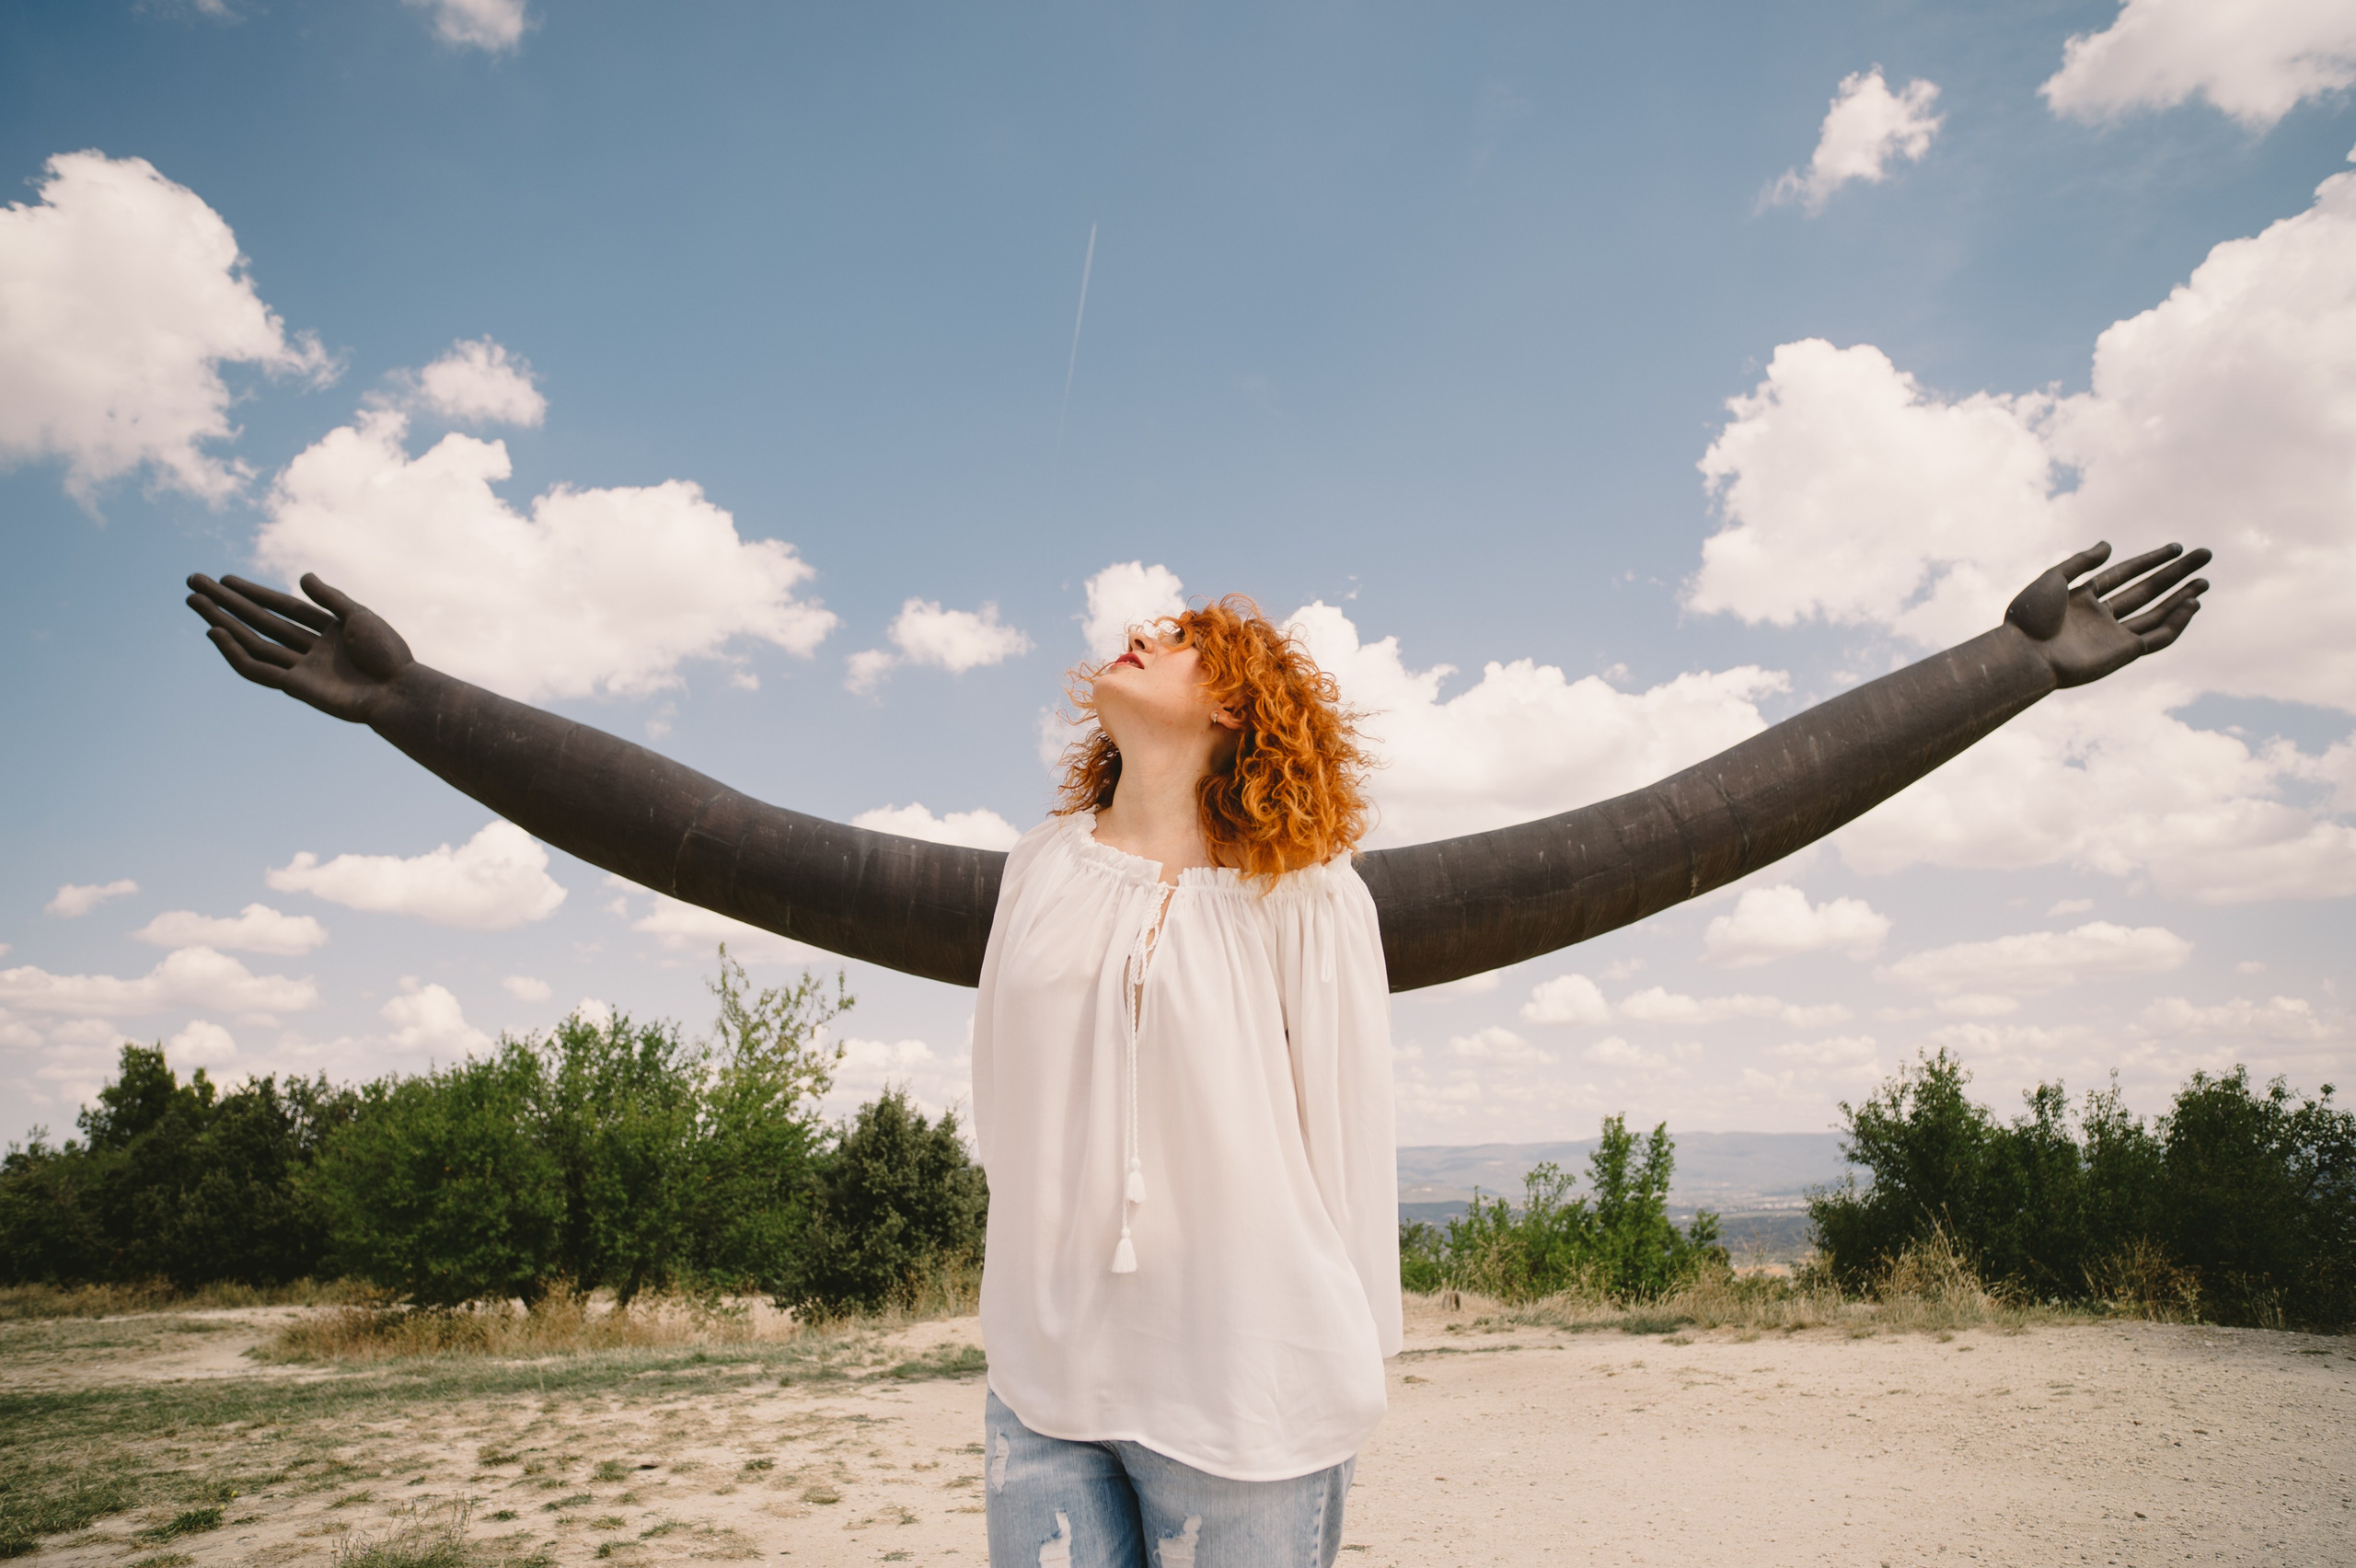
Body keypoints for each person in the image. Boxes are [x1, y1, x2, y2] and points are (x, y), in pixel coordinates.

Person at [972, 598, 1391, 1567]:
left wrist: (1342, 1361)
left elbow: (1349, 1138)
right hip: (1044, 1378)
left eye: (1187, 643)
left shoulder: (1308, 891)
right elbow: (999, 1098)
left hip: (1251, 1382)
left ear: (1236, 709)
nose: (1149, 635)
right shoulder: (1038, 866)